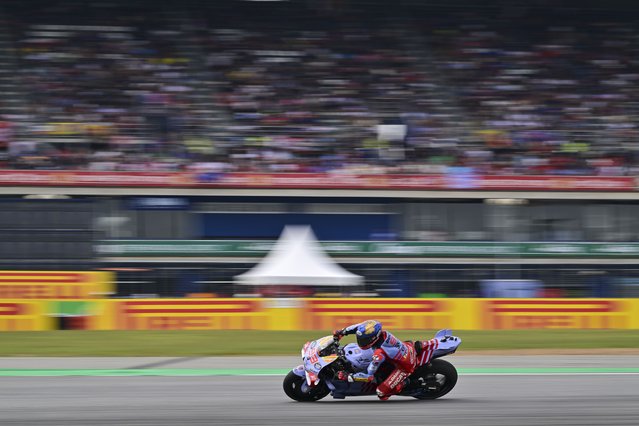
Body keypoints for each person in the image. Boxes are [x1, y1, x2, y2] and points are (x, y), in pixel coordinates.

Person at [333, 319, 438, 400]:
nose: (361, 341)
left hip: (405, 366)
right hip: (405, 348)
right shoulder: (375, 328)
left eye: (364, 340)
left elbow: (368, 376)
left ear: (374, 338)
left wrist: (349, 376)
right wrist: (342, 332)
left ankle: (405, 383)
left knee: (381, 393)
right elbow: (358, 327)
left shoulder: (380, 352)